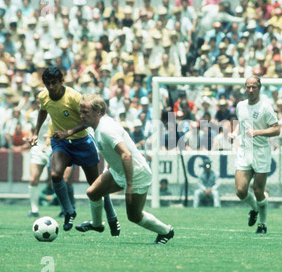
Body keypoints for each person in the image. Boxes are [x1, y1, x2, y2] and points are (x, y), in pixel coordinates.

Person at [27, 65, 120, 236]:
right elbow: (43, 111)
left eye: (54, 83)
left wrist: (68, 132)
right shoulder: (43, 96)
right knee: (55, 175)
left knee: (96, 186)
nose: (51, 87)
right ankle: (69, 211)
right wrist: (35, 133)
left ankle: (112, 217)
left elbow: (88, 120)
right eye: (47, 83)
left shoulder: (74, 97)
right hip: (61, 143)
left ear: (62, 81)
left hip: (82, 142)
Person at [78, 94, 174, 244]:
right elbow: (115, 152)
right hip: (119, 171)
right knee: (93, 192)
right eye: (81, 112)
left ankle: (166, 232)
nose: (81, 116)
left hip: (136, 175)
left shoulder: (105, 130)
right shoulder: (100, 125)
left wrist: (129, 186)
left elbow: (126, 155)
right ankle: (97, 225)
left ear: (98, 112)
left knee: (134, 216)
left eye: (85, 113)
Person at [234, 76, 281, 234]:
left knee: (258, 190)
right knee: (240, 191)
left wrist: (258, 132)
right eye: (248, 87)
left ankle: (262, 223)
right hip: (245, 151)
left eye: (254, 87)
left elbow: (276, 129)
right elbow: (241, 124)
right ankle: (254, 209)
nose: (251, 90)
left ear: (259, 88)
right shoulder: (240, 106)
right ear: (245, 88)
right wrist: (234, 134)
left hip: (261, 151)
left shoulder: (265, 107)